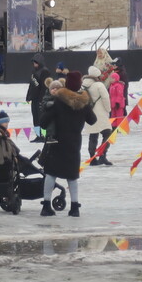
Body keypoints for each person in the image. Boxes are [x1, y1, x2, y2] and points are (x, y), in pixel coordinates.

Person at [42, 70, 94, 217]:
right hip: (74, 144)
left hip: (57, 142)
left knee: (51, 173)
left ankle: (46, 205)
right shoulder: (83, 103)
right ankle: (74, 207)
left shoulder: (58, 101)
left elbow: (43, 123)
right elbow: (92, 120)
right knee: (72, 176)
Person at [82, 66, 113, 164]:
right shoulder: (99, 85)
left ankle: (92, 159)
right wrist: (108, 109)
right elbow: (105, 98)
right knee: (108, 133)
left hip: (89, 114)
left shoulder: (82, 86)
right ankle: (102, 155)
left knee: (93, 135)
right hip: (101, 113)